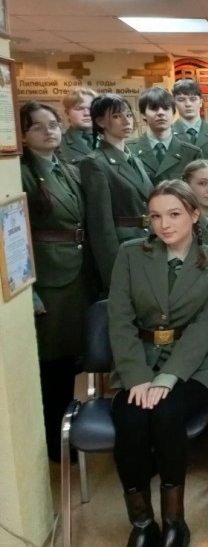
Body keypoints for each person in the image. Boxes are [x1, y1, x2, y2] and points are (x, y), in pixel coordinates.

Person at [108, 179, 208, 547]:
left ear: (194, 215)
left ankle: (175, 519)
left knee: (167, 415)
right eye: (155, 216)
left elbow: (204, 328)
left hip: (193, 366)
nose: (164, 224)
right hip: (139, 361)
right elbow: (120, 320)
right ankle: (142, 521)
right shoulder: (130, 254)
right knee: (130, 419)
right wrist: (137, 377)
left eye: (174, 214)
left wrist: (169, 377)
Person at [20, 102, 94, 462]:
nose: (49, 131)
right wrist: (30, 288)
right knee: (53, 363)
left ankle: (70, 431)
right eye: (38, 126)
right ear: (23, 135)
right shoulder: (23, 174)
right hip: (49, 278)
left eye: (53, 124)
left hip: (75, 272)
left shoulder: (64, 167)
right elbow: (17, 234)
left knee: (71, 359)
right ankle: (56, 442)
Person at [80, 94, 153, 291]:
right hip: (124, 247)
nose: (126, 121)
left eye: (128, 115)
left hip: (149, 242)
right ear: (100, 122)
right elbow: (101, 225)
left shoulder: (133, 158)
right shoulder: (95, 163)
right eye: (117, 116)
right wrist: (112, 272)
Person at [128, 87, 202, 184]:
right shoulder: (129, 150)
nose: (161, 113)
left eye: (166, 108)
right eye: (154, 108)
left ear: (173, 114)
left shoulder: (191, 154)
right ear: (143, 115)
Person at [171, 78, 208, 158]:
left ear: (200, 102)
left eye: (193, 99)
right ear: (174, 103)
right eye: (181, 100)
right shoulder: (167, 134)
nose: (188, 104)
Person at [58, 86, 97, 165]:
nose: (87, 113)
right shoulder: (58, 144)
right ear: (67, 113)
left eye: (91, 108)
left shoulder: (110, 140)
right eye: (79, 108)